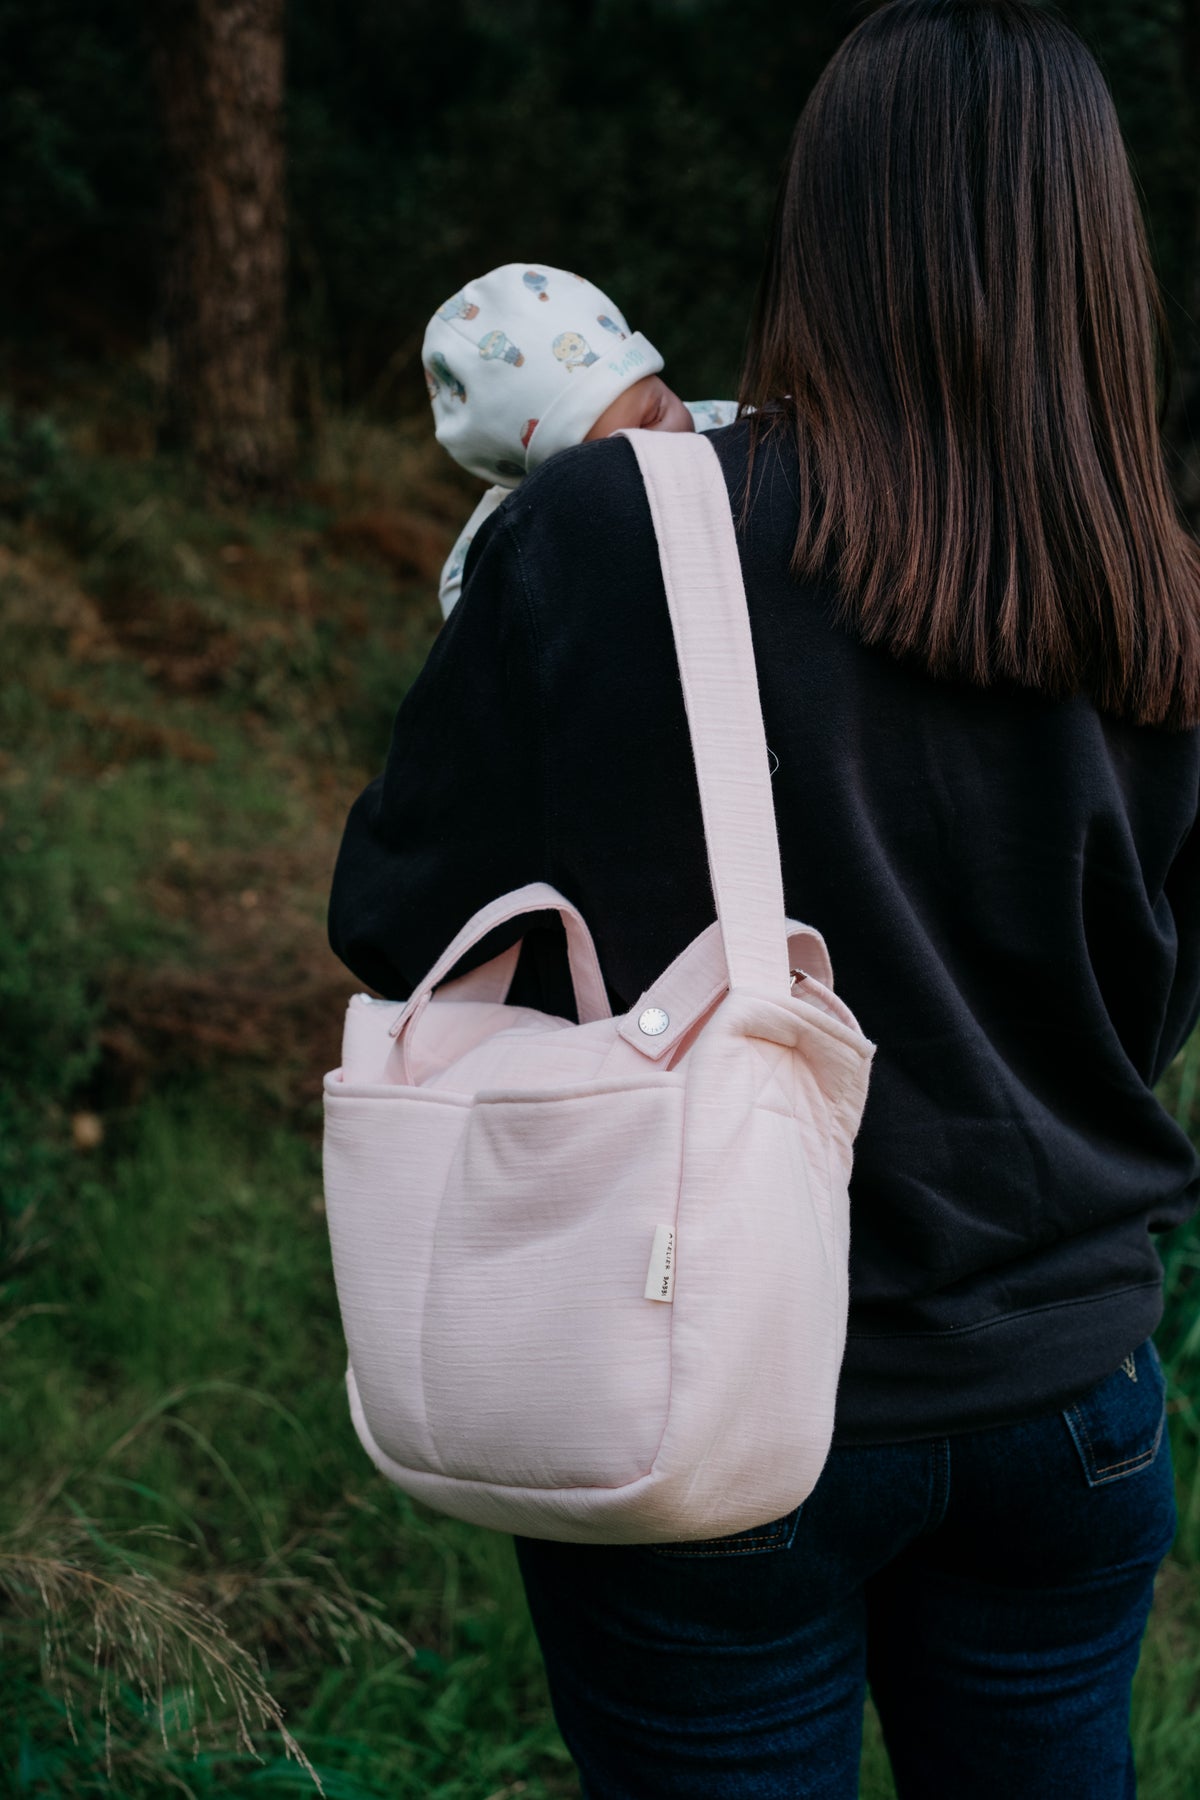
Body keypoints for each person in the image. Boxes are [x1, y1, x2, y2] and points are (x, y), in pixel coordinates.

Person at [327, 1, 1200, 1793]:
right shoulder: (1159, 592)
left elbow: (402, 921)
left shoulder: (607, 530)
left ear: (824, 226)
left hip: (692, 1380)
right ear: (1098, 258)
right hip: (1074, 1395)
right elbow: (1152, 995)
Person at [422, 262, 736, 615]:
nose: (653, 452)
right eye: (613, 457)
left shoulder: (735, 432)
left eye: (654, 416)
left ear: (660, 382)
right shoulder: (517, 547)